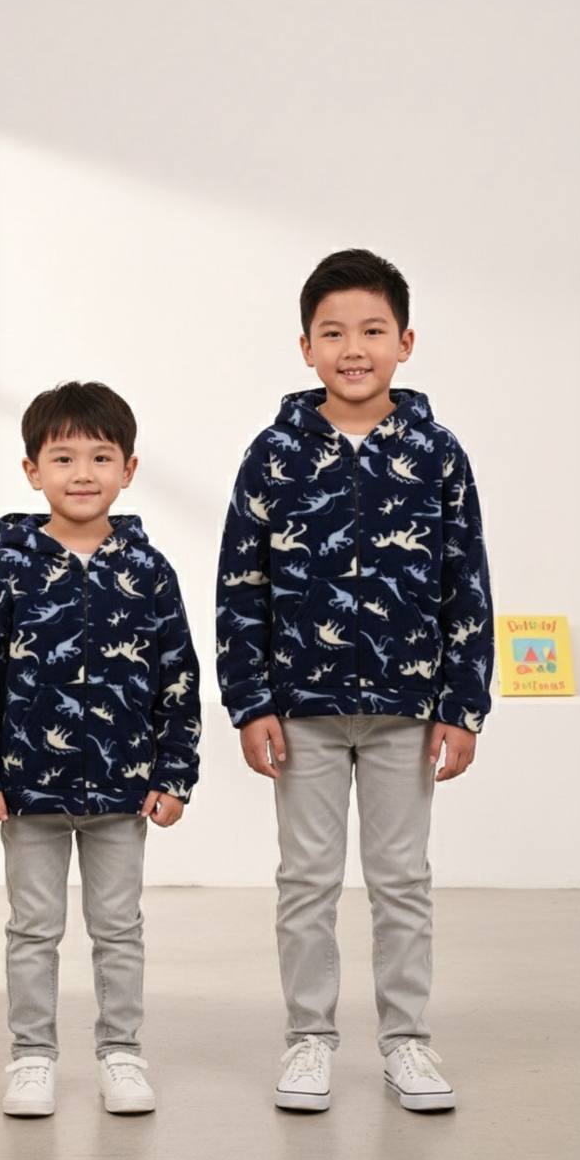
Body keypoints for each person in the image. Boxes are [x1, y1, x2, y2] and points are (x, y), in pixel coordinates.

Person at [215, 248, 494, 1113]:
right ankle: (308, 1039)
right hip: (300, 709)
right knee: (305, 879)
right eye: (332, 333)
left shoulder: (437, 454)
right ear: (305, 347)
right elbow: (240, 584)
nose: (353, 348)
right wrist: (249, 701)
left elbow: (466, 582)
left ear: (404, 342)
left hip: (407, 708)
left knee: (400, 879)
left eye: (372, 330)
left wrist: (462, 705)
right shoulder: (272, 455)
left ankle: (406, 1040)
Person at [0, 380, 201, 1117]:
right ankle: (31, 1058)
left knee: (118, 929)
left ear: (129, 468)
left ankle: (122, 1053)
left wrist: (175, 773)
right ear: (32, 471)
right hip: (28, 792)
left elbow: (177, 678)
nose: (82, 473)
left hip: (123, 793)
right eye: (63, 458)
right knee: (33, 929)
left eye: (100, 456)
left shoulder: (150, 573)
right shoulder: (6, 570)